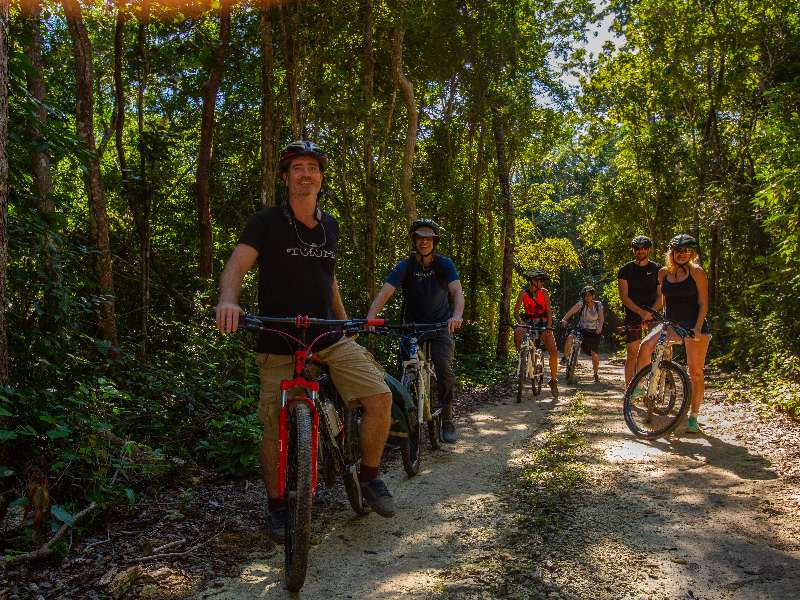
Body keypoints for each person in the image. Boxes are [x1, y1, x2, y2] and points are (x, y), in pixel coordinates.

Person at [215, 140, 396, 543]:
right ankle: (278, 507)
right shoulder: (265, 223)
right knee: (273, 428)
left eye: (312, 167)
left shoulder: (330, 225)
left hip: (326, 333)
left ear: (321, 176)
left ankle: (369, 476)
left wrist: (346, 322)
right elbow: (237, 264)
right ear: (286, 177)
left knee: (379, 396)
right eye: (297, 167)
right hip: (278, 334)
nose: (306, 173)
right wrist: (229, 300)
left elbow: (327, 279)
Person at [366, 218, 464, 443]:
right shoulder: (405, 266)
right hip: (411, 327)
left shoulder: (444, 264)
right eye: (420, 237)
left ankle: (447, 416)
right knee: (404, 372)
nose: (424, 242)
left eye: (428, 238)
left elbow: (457, 291)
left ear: (434, 241)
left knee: (443, 367)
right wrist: (371, 317)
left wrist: (456, 315)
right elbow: (385, 293)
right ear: (414, 240)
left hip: (440, 326)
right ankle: (402, 421)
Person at [636, 234, 710, 433]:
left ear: (692, 253)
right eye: (678, 251)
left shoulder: (697, 273)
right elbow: (663, 299)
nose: (682, 254)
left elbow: (703, 303)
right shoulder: (663, 273)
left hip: (694, 324)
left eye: (687, 251)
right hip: (671, 323)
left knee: (696, 372)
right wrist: (649, 314)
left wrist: (697, 327)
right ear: (672, 252)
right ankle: (642, 386)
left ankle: (693, 416)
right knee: (645, 346)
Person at [618, 235, 661, 386]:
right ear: (633, 250)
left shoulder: (658, 269)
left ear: (648, 249)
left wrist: (650, 312)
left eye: (643, 248)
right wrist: (640, 312)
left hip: (654, 313)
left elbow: (662, 295)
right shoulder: (625, 270)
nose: (640, 251)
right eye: (637, 248)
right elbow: (624, 296)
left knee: (657, 350)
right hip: (633, 314)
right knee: (632, 352)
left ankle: (655, 383)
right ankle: (629, 389)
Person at [512, 269, 559, 396]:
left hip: (544, 322)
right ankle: (521, 357)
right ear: (533, 281)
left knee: (553, 351)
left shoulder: (544, 293)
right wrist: (521, 322)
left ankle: (553, 380)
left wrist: (549, 327)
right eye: (540, 281)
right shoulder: (523, 293)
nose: (542, 283)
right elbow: (516, 312)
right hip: (529, 321)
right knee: (518, 331)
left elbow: (549, 311)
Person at [560, 285, 605, 383]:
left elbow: (601, 318)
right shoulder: (581, 304)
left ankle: (595, 374)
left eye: (589, 295)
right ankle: (565, 357)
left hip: (594, 331)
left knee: (594, 354)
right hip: (581, 328)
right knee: (570, 337)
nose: (587, 297)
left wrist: (600, 327)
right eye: (585, 295)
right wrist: (564, 319)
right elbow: (571, 312)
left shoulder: (598, 305)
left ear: (593, 296)